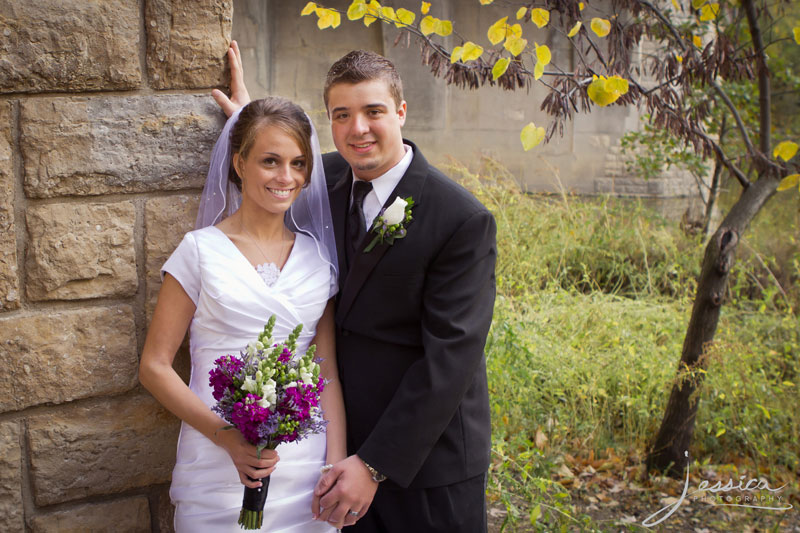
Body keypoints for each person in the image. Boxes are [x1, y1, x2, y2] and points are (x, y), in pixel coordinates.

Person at [214, 43, 496, 532]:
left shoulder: (461, 219)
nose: (357, 128)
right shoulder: (325, 179)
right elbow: (271, 164)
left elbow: (450, 359)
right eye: (341, 115)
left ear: (401, 112)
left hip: (425, 464)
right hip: (334, 456)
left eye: (373, 111)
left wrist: (374, 464)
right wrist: (246, 118)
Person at [139, 96, 346, 532]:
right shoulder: (200, 251)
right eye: (270, 161)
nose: (286, 177)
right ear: (239, 163)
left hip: (303, 471)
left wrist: (336, 466)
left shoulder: (317, 259)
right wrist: (227, 438)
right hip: (217, 463)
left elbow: (325, 372)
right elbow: (154, 366)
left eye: (298, 162)